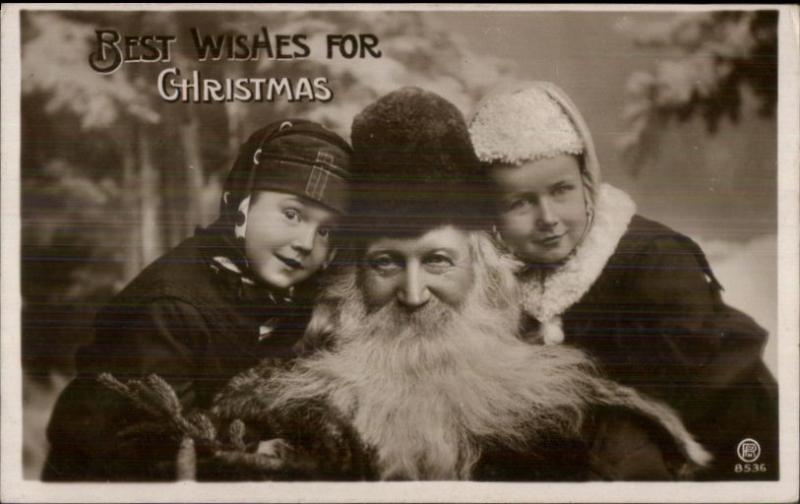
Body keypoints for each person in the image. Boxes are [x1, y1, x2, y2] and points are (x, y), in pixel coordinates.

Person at [207, 88, 712, 481]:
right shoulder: (274, 420)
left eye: (439, 262)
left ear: (486, 275)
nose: (412, 294)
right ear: (349, 286)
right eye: (385, 264)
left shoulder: (589, 426)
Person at [467, 81, 779, 480]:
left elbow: (700, 390)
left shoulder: (653, 261)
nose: (547, 217)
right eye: (520, 202)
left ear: (587, 183)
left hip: (722, 433)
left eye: (561, 190)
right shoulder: (498, 279)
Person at [43, 119, 353, 481]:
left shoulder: (285, 299)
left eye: (325, 230)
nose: (306, 241)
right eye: (291, 214)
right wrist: (250, 448)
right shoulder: (171, 305)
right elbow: (159, 432)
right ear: (243, 203)